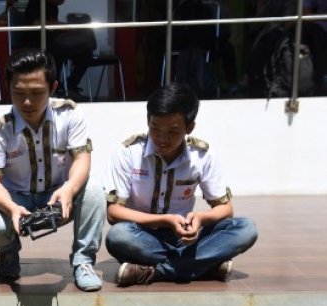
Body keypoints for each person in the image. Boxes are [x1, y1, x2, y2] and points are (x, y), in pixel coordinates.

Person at [0, 48, 106, 291]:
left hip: (56, 197)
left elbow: (82, 159)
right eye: (18, 93)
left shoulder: (70, 115)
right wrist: (12, 208)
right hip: (16, 202)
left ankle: (83, 261)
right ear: (8, 88)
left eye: (36, 93)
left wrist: (68, 189)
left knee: (95, 190)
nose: (27, 102)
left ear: (53, 87)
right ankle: (10, 251)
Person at [104, 83, 258, 287]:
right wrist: (166, 220)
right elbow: (114, 213)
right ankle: (203, 266)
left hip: (186, 237)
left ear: (190, 127)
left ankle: (156, 271)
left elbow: (225, 209)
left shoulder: (202, 156)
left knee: (246, 229)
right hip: (141, 235)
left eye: (173, 131)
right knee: (118, 236)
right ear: (147, 120)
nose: (161, 138)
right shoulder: (127, 152)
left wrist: (201, 217)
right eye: (155, 128)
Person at [23, 0, 96, 99]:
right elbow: (37, 23)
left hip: (52, 41)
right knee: (57, 51)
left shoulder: (54, 8)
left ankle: (71, 85)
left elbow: (53, 27)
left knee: (86, 52)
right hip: (36, 42)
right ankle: (56, 88)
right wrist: (63, 26)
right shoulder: (36, 4)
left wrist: (66, 30)